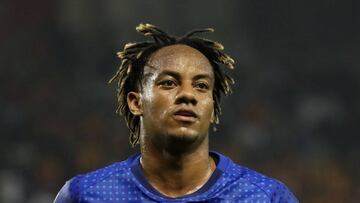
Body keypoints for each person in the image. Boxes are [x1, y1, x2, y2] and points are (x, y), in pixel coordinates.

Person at [54, 23, 298, 203]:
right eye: (169, 83)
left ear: (212, 107)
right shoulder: (85, 195)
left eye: (201, 86)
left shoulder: (266, 197)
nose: (188, 95)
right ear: (135, 102)